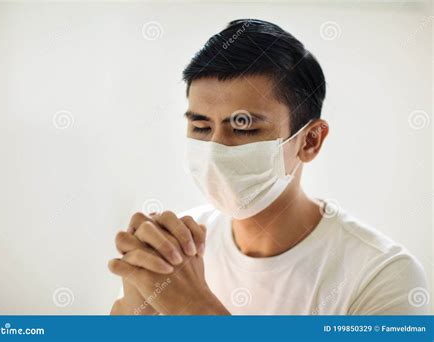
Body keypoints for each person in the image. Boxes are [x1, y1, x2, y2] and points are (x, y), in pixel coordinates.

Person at [108, 19, 428, 315]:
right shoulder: (175, 257)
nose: (216, 150)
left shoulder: (382, 276)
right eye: (202, 128)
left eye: (244, 127)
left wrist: (193, 308)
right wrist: (138, 316)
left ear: (310, 141)